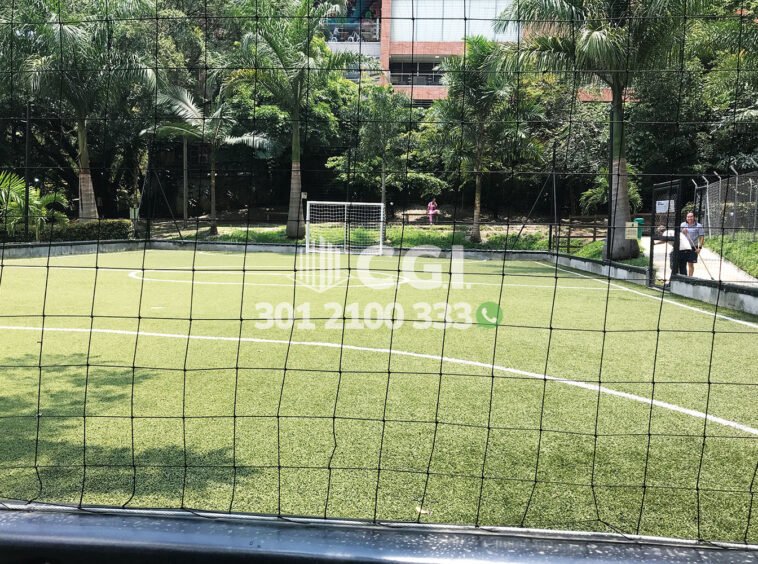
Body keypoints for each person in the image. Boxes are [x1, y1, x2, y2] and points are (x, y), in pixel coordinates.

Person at [678, 211, 705, 276]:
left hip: (693, 247)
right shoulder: (682, 225)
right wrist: (682, 231)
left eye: (691, 216)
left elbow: (702, 237)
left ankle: (690, 278)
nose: (689, 218)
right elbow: (678, 234)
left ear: (694, 217)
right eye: (688, 217)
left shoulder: (698, 226)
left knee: (690, 264)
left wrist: (699, 248)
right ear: (686, 217)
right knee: (682, 264)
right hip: (683, 247)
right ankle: (683, 277)